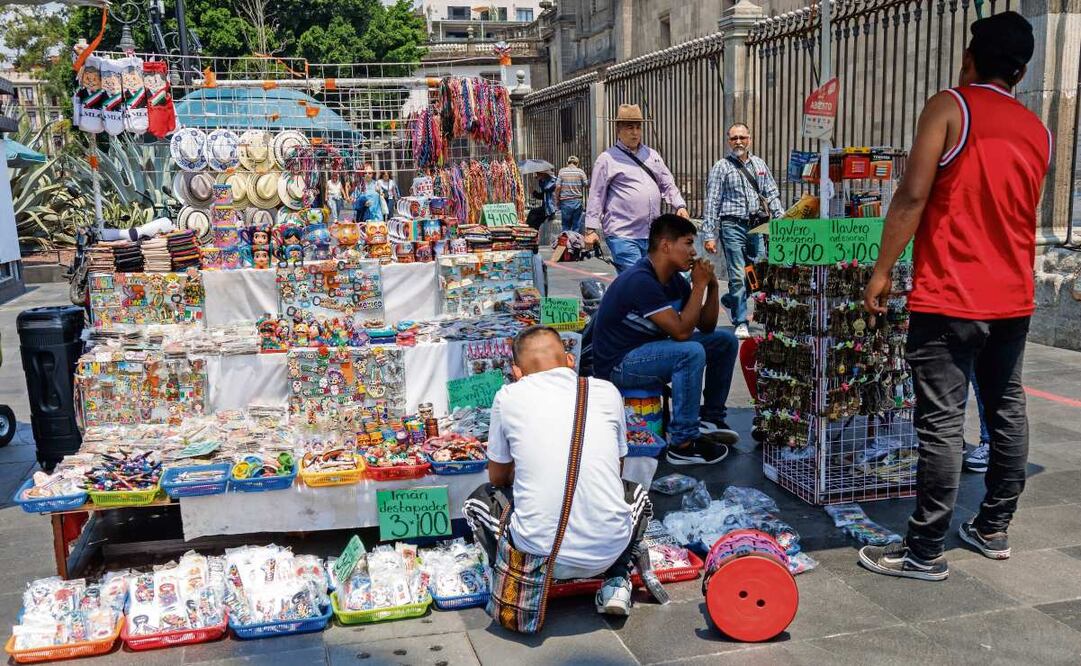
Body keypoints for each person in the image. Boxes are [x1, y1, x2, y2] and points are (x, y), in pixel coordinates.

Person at [859, 11, 1051, 581]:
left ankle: (924, 549)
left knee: (941, 423)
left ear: (969, 58)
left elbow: (912, 196)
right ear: (1021, 72)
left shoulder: (950, 107)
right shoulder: (1037, 129)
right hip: (1012, 297)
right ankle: (993, 527)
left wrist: (882, 271)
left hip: (949, 295)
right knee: (1006, 409)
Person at [463, 326, 653, 616]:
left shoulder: (508, 397)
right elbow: (616, 469)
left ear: (516, 372)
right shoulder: (606, 391)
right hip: (607, 552)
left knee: (479, 500)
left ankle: (513, 577)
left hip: (538, 556)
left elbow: (497, 478)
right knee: (635, 492)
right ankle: (616, 581)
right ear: (570, 360)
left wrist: (525, 473)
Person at [591, 214, 740, 465]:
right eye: (688, 243)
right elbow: (681, 333)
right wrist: (698, 287)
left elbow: (706, 325)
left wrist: (712, 287)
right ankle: (683, 442)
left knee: (724, 341)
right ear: (666, 245)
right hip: (619, 364)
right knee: (690, 352)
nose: (693, 252)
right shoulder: (641, 280)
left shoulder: (674, 280)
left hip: (647, 352)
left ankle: (711, 418)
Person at [701, 123, 785, 340]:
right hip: (732, 226)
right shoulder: (721, 167)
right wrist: (708, 234)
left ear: (750, 139)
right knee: (738, 274)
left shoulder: (759, 164)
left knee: (757, 272)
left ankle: (731, 300)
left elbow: (771, 193)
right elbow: (712, 201)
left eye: (742, 137)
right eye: (734, 138)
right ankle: (740, 320)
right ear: (728, 141)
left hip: (756, 226)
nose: (738, 142)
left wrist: (781, 219)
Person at [585, 104, 690, 273]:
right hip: (623, 235)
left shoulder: (652, 155)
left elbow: (667, 183)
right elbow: (596, 195)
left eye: (638, 127)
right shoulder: (607, 159)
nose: (635, 132)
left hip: (651, 235)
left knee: (655, 279)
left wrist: (680, 205)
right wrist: (591, 230)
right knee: (637, 280)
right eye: (630, 127)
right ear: (618, 130)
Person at [554, 156, 589, 233]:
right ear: (577, 163)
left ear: (567, 163)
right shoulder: (580, 172)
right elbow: (586, 184)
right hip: (577, 201)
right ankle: (574, 239)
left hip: (565, 202)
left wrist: (557, 200)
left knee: (565, 226)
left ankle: (566, 239)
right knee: (576, 225)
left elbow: (558, 187)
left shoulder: (562, 171)